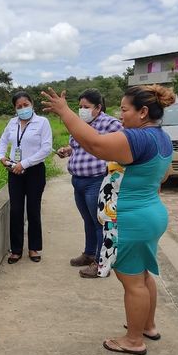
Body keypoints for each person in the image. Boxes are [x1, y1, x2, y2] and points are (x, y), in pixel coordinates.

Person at [42, 84, 175, 355]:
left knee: (132, 282)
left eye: (125, 109)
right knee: (143, 274)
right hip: (150, 213)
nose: (121, 115)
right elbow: (164, 174)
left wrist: (65, 112)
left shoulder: (138, 138)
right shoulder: (161, 137)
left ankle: (133, 341)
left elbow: (96, 144)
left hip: (131, 219)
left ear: (143, 112)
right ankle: (147, 326)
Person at [56, 89, 122, 278]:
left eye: (86, 107)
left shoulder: (110, 123)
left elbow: (123, 143)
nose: (82, 110)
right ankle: (89, 253)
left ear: (98, 107)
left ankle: (100, 263)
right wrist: (68, 150)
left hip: (96, 180)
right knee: (88, 220)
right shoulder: (80, 124)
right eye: (80, 106)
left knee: (100, 222)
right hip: (78, 180)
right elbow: (77, 146)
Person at [0, 91, 53, 264]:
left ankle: (33, 248)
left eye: (25, 105)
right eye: (19, 106)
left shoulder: (42, 122)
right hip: (15, 171)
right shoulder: (12, 123)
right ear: (15, 108)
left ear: (32, 104)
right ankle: (16, 250)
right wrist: (1, 157)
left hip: (35, 171)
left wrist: (25, 163)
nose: (23, 109)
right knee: (16, 210)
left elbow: (46, 148)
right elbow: (3, 140)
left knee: (33, 209)